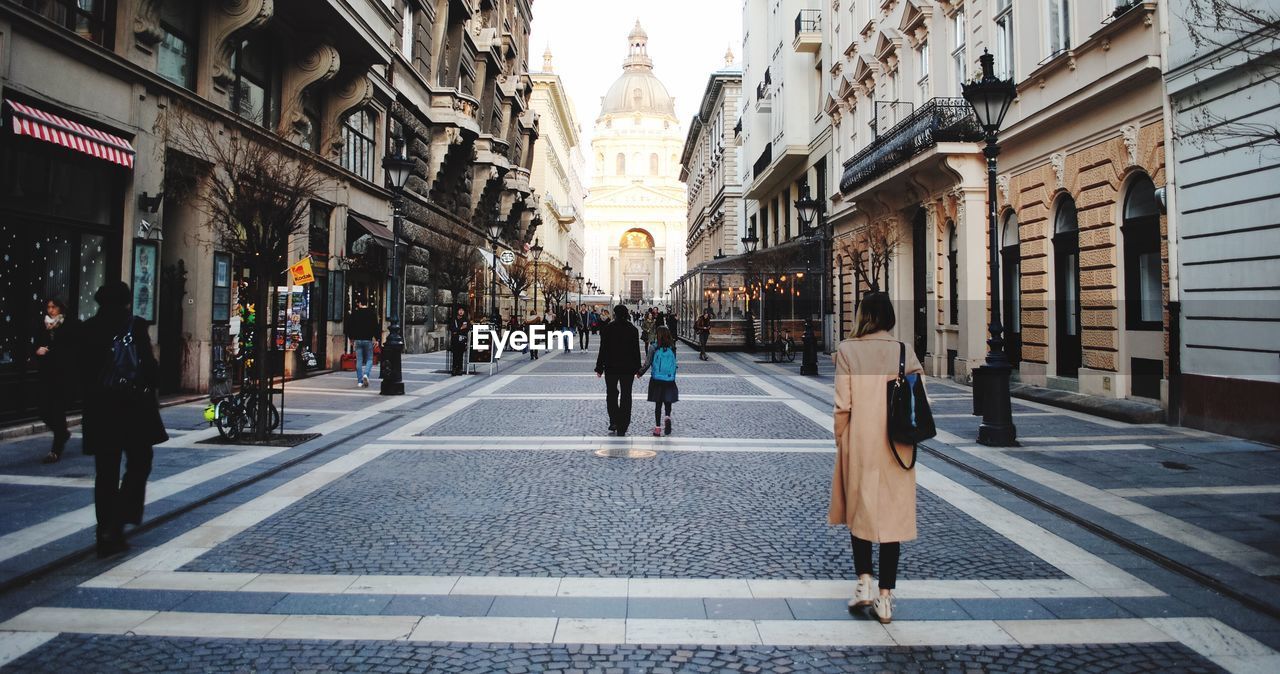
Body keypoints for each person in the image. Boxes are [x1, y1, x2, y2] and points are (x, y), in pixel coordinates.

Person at [828, 292, 924, 624]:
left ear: (862, 315)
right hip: (898, 446)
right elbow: (919, 401)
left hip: (861, 442)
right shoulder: (903, 351)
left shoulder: (848, 350)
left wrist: (841, 437)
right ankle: (886, 599)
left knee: (860, 512)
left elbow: (843, 404)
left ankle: (864, 582)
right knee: (892, 520)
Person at [77, 281, 167, 558]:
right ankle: (118, 521)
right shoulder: (135, 327)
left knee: (105, 471)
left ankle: (104, 530)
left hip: (100, 410)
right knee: (140, 463)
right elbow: (150, 371)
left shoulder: (87, 329)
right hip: (133, 410)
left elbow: (76, 372)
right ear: (128, 301)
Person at [34, 298, 77, 463]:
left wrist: (52, 352)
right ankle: (63, 433)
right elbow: (36, 344)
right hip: (46, 374)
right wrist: (37, 350)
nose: (50, 310)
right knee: (43, 410)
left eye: (54, 307)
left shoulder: (70, 325)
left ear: (61, 308)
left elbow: (73, 349)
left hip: (63, 375)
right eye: (48, 307)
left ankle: (55, 450)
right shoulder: (43, 325)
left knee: (58, 411)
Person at [594, 304, 642, 436]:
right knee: (626, 396)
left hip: (611, 368)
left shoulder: (608, 329)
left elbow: (602, 349)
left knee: (611, 395)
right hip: (628, 369)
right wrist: (638, 368)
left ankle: (614, 420)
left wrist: (599, 367)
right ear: (626, 314)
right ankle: (623, 424)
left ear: (614, 314)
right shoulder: (633, 330)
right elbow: (636, 351)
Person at [637, 325, 679, 437]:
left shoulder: (653, 347)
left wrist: (640, 372)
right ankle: (667, 417)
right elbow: (674, 363)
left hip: (657, 379)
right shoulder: (672, 347)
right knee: (668, 401)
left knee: (658, 403)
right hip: (669, 378)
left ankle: (657, 428)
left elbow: (648, 363)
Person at [344, 299, 381, 388]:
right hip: (368, 340)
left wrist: (351, 338)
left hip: (357, 340)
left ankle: (360, 381)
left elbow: (349, 326)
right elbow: (376, 326)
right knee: (369, 359)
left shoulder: (355, 314)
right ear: (366, 304)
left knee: (359, 360)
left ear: (360, 303)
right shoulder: (372, 314)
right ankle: (366, 374)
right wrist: (377, 339)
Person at [448, 307, 470, 376]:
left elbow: (466, 329)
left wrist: (457, 331)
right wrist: (460, 328)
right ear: (457, 311)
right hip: (455, 340)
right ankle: (454, 368)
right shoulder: (454, 319)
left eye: (462, 310)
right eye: (460, 310)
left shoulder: (465, 320)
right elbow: (451, 328)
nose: (461, 312)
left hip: (462, 339)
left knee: (460, 354)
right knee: (455, 354)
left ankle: (459, 369)